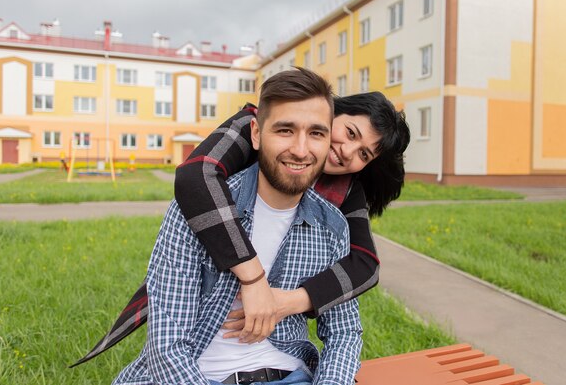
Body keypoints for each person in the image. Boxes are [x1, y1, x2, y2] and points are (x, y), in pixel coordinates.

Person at [71, 73, 410, 366]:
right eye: (350, 133)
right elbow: (196, 176)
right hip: (204, 333)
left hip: (275, 357)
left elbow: (366, 264)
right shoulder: (260, 126)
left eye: (364, 153)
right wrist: (253, 279)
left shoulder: (341, 192)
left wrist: (285, 302)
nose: (347, 152)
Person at [112, 68, 362, 385]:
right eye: (285, 130)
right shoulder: (198, 211)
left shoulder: (332, 227)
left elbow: (344, 332)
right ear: (256, 134)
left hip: (289, 375)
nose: (301, 149)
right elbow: (167, 347)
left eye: (316, 133)